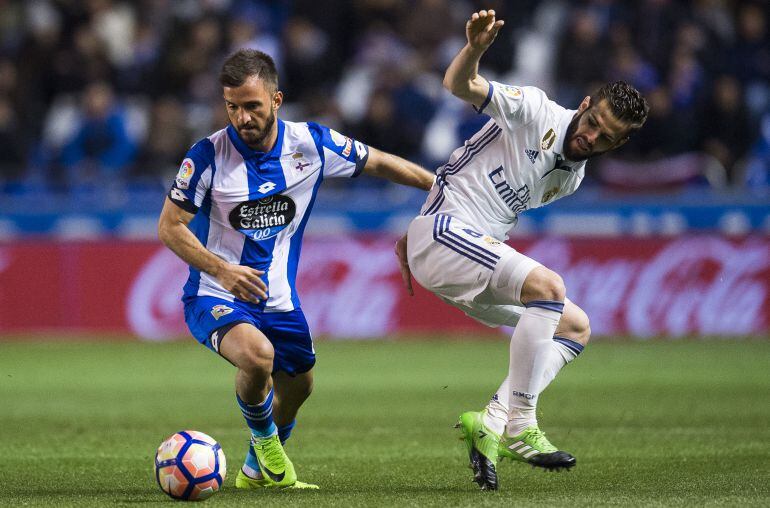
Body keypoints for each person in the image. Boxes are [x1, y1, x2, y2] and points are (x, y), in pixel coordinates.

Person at [158, 49, 434, 490]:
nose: (242, 117)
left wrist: (440, 187)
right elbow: (170, 227)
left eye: (252, 106)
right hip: (215, 293)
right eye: (232, 106)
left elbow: (379, 161)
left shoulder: (312, 144)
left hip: (278, 297)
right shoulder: (207, 155)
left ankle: (254, 468)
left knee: (301, 384)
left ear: (277, 99)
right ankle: (269, 448)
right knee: (257, 357)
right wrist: (223, 271)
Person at [395, 10, 648, 491]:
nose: (591, 135)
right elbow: (457, 84)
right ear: (586, 102)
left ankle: (490, 421)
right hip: (443, 232)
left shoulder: (571, 177)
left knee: (575, 327)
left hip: (467, 254)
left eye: (606, 137)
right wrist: (475, 49)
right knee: (549, 288)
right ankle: (522, 424)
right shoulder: (535, 109)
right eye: (592, 121)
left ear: (619, 143)